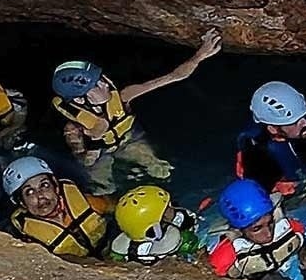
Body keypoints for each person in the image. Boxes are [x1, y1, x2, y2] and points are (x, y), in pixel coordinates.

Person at [50, 29, 222, 193]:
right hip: (101, 154)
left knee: (160, 169)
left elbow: (173, 76)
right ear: (80, 99)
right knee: (105, 188)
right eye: (96, 85)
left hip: (129, 139)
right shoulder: (74, 128)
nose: (105, 85)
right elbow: (84, 156)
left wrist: (200, 54)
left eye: (101, 79)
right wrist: (91, 148)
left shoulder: (123, 97)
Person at [235, 80, 306, 202]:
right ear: (273, 129)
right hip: (295, 183)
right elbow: (265, 203)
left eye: (303, 116)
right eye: (295, 122)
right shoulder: (261, 158)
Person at [208, 178, 306, 280]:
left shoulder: (288, 227)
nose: (268, 234)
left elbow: (303, 240)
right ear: (239, 230)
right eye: (256, 229)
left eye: (270, 223)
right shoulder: (226, 255)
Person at [2, 156, 115, 261]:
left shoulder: (89, 203)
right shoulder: (26, 240)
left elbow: (118, 207)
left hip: (111, 251)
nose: (40, 196)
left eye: (44, 185)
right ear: (22, 202)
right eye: (29, 192)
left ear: (55, 186)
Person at [111, 184, 201, 261]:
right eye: (167, 209)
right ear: (155, 230)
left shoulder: (120, 253)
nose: (173, 209)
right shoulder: (179, 243)